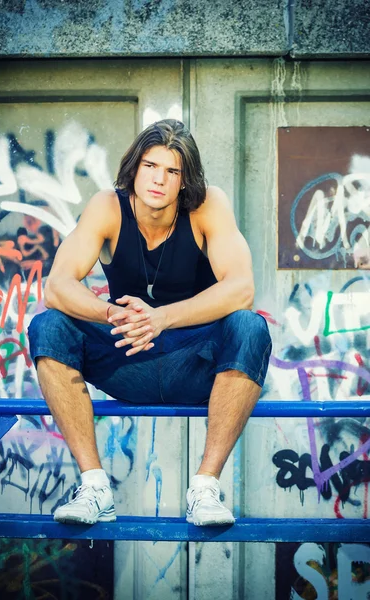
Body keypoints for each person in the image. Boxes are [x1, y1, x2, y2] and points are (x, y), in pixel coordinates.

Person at [28, 119, 272, 527]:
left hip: (193, 363)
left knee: (250, 326)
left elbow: (241, 289)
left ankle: (205, 489)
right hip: (126, 356)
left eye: (172, 171)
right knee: (48, 326)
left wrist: (161, 318)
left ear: (184, 180)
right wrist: (111, 313)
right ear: (134, 168)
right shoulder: (109, 206)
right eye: (150, 166)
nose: (159, 179)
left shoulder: (208, 206)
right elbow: (57, 286)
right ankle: (94, 487)